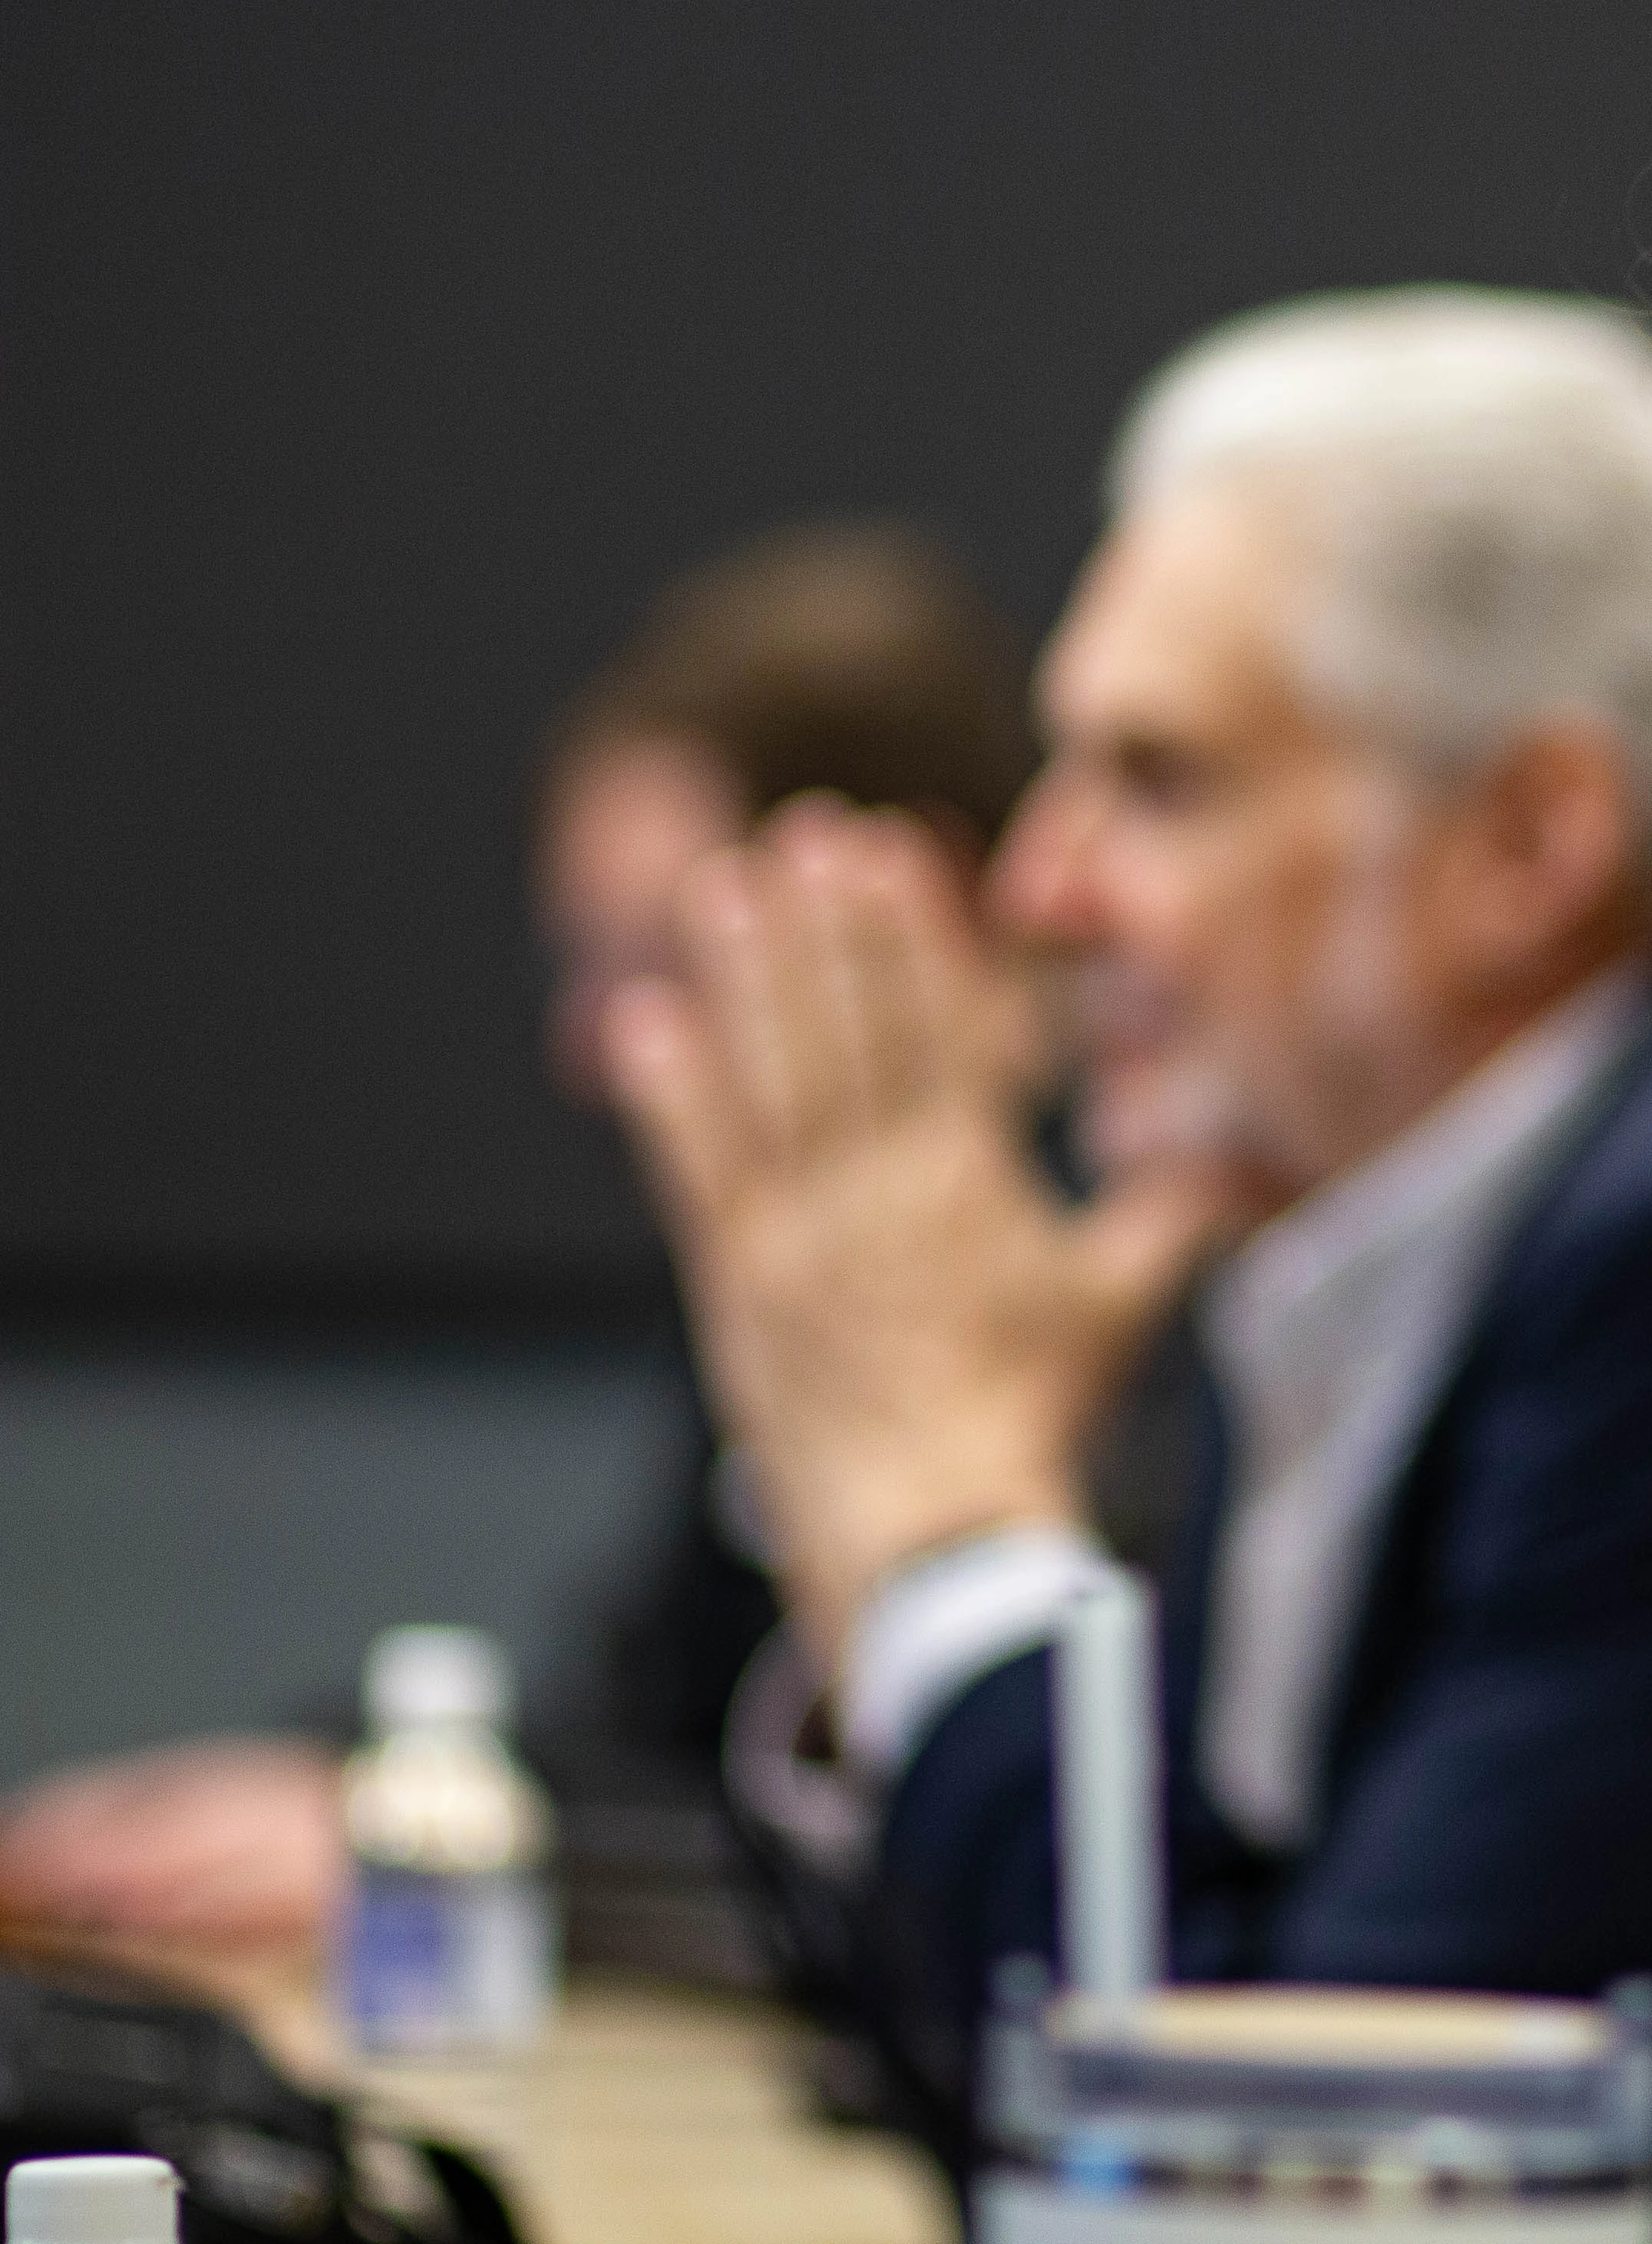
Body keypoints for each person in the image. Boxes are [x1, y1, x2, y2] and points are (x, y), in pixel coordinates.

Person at [600, 289, 1652, 2242]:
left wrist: (941, 1527)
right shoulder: (1355, 1249)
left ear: (1526, 845)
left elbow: (1306, 2199)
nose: (1041, 891)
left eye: (1158, 780)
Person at [0, 524, 1042, 1976]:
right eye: (584, 967)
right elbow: (641, 1721)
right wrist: (351, 1779)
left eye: (661, 963)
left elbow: (1007, 1855)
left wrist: (444, 1846)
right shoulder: (778, 1264)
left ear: (900, 910)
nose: (594, 1052)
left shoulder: (1121, 1277)